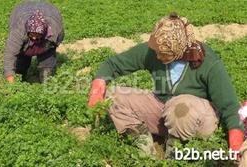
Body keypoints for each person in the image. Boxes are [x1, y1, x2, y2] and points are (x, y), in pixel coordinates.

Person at [87, 13, 244, 159]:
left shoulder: (208, 62)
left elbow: (229, 107)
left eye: (161, 52)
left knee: (179, 107)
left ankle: (175, 151)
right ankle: (142, 140)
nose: (156, 55)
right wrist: (98, 87)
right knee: (113, 96)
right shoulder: (157, 48)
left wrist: (235, 143)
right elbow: (113, 64)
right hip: (165, 110)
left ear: (177, 49)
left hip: (197, 120)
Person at [4, 1, 64, 83]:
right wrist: (10, 81)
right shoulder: (18, 30)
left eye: (38, 34)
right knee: (21, 63)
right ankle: (21, 75)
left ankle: (46, 83)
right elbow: (10, 55)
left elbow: (56, 42)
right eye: (32, 34)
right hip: (21, 11)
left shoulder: (55, 29)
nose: (35, 37)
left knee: (47, 62)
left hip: (50, 12)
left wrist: (47, 48)